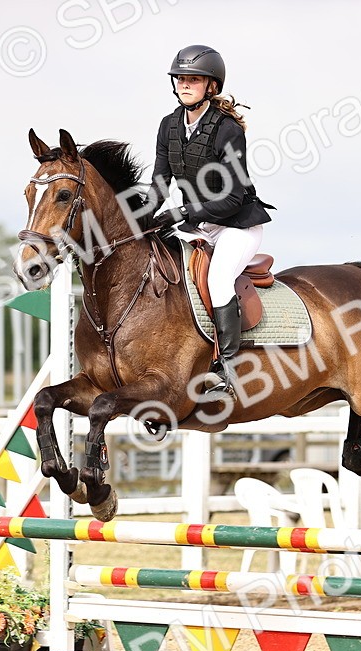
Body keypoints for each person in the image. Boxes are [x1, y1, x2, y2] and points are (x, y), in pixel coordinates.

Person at [146, 44, 273, 400]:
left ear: (211, 86)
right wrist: (143, 218)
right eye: (181, 79)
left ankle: (228, 368)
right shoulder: (168, 126)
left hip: (237, 224)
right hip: (200, 223)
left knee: (219, 279)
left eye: (194, 79)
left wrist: (184, 213)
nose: (185, 85)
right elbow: (160, 183)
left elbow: (233, 197)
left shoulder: (228, 130)